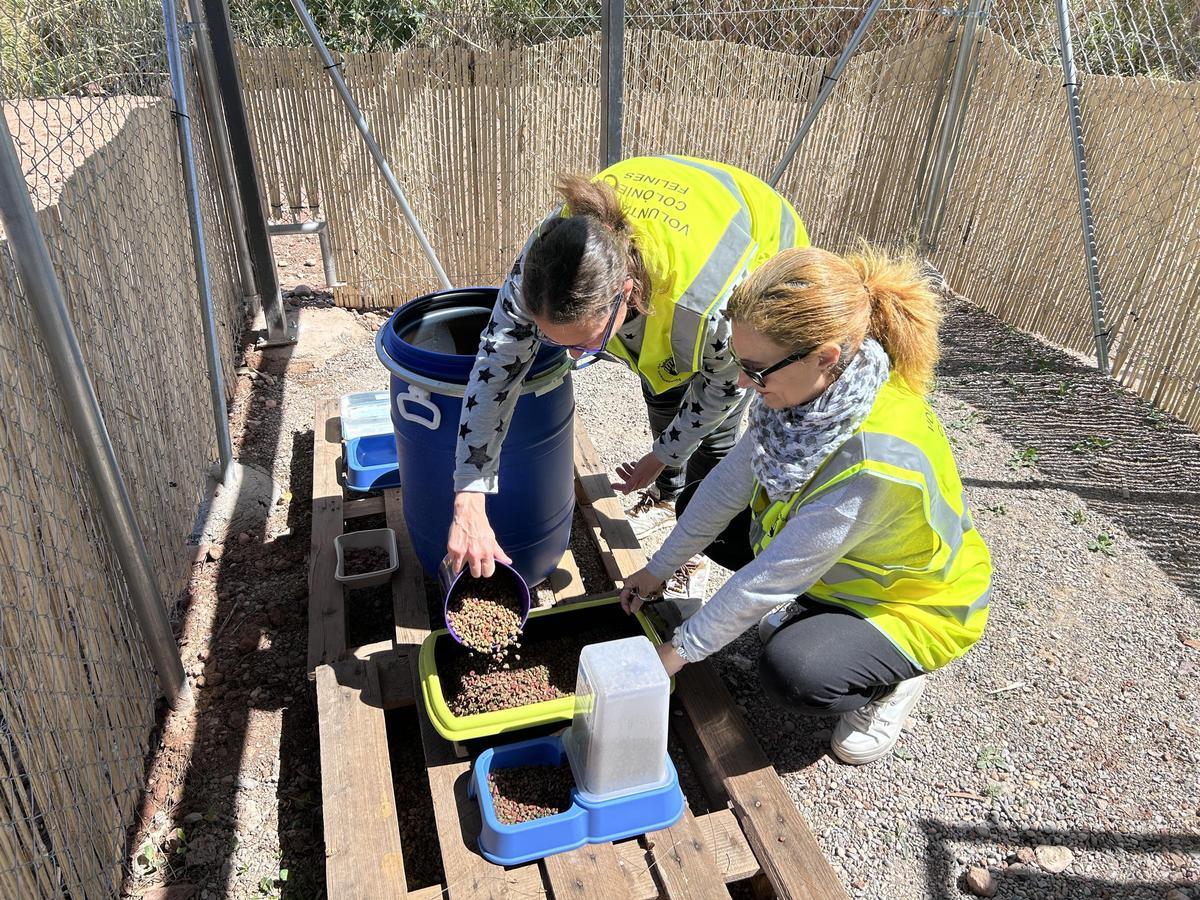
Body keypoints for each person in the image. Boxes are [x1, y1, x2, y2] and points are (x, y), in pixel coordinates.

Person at [619, 245, 993, 765]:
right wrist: (657, 570)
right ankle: (825, 613)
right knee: (707, 518)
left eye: (756, 370)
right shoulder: (810, 394)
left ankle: (893, 681)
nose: (745, 383)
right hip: (842, 559)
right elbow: (730, 482)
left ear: (825, 356)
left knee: (794, 672)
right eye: (740, 364)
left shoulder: (871, 464)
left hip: (911, 601)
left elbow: (775, 576)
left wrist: (675, 653)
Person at [446, 155, 809, 579]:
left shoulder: (714, 310)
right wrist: (468, 494)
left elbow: (721, 390)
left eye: (588, 343)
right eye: (556, 340)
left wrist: (664, 453)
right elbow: (497, 362)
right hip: (671, 231)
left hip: (761, 237)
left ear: (628, 293)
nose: (575, 356)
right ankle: (668, 494)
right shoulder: (544, 260)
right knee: (662, 374)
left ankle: (699, 543)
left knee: (715, 436)